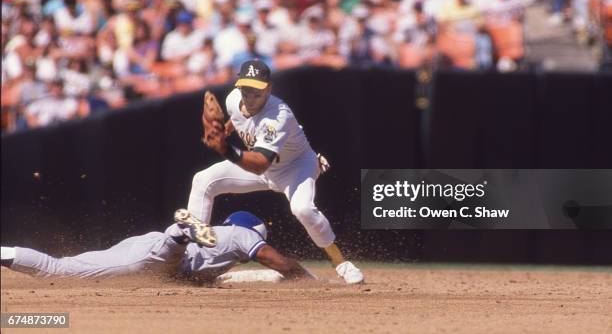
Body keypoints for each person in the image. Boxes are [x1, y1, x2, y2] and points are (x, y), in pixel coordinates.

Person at [188, 59, 364, 285]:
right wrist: (223, 130)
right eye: (246, 90)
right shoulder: (233, 99)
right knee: (203, 180)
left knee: (303, 209)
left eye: (257, 92)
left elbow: (260, 163)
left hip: (295, 167)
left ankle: (341, 263)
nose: (250, 98)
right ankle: (193, 254)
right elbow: (237, 118)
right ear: (238, 87)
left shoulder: (278, 115)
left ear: (269, 89)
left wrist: (224, 147)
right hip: (262, 166)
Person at [1, 209, 313, 283]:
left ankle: (180, 232)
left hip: (146, 245)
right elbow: (282, 265)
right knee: (59, 271)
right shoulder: (242, 236)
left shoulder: (223, 247)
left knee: (64, 264)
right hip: (159, 256)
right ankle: (181, 232)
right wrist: (306, 279)